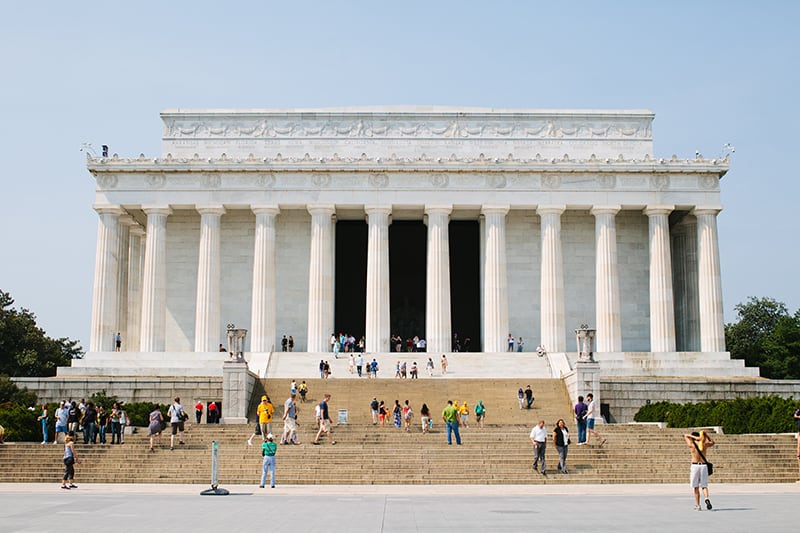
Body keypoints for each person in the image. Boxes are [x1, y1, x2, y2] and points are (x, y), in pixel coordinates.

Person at [685, 430, 715, 511]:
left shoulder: (692, 445)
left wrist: (695, 438)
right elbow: (712, 442)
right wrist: (706, 436)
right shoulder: (704, 445)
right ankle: (706, 498)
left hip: (695, 465)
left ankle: (698, 505)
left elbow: (686, 435)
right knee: (704, 486)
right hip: (703, 465)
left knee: (695, 487)